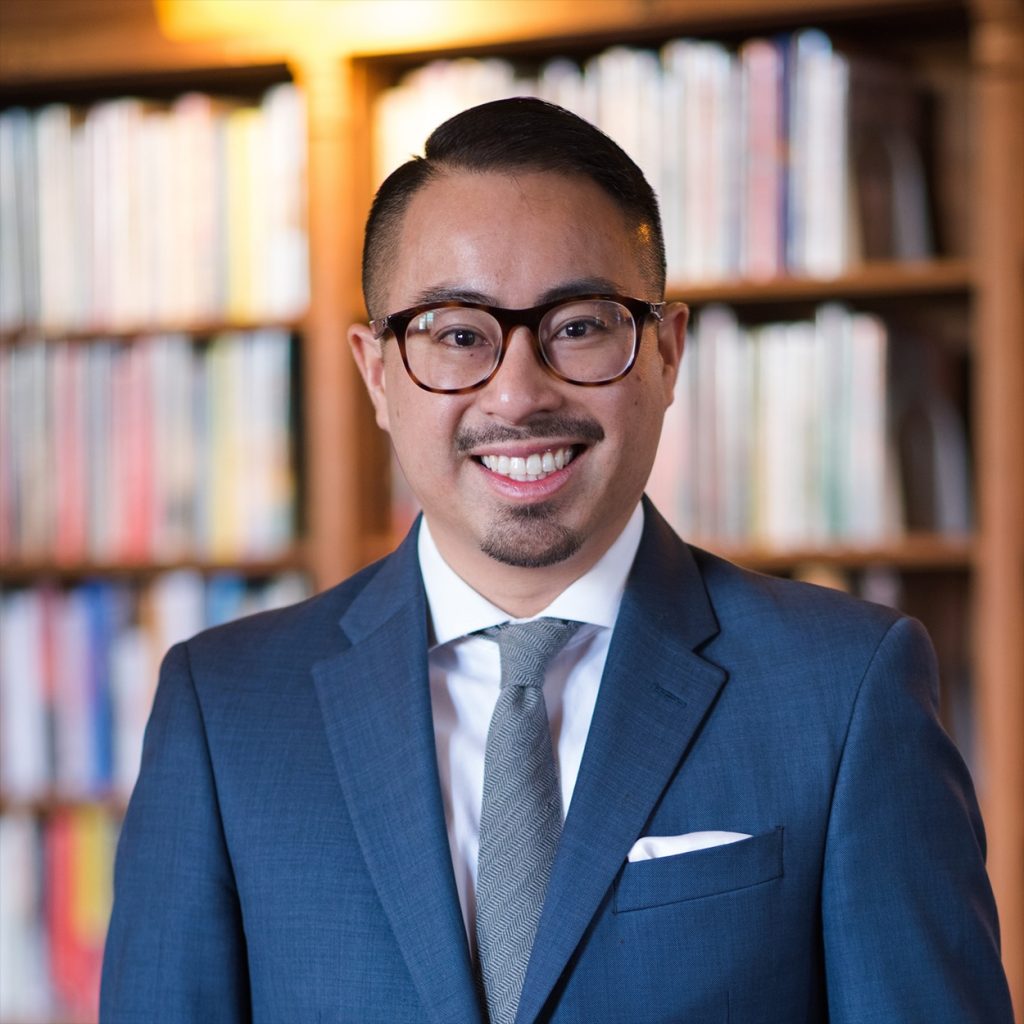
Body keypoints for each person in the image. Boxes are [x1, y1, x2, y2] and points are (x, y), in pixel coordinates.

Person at [100, 98, 1014, 1023]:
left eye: (578, 326)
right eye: (457, 334)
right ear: (377, 375)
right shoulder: (225, 711)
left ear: (664, 353)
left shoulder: (844, 689)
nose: (519, 392)